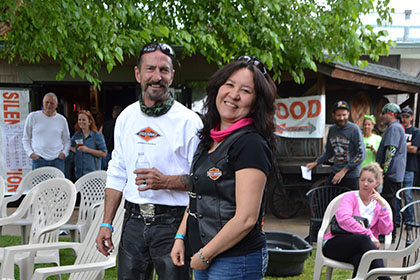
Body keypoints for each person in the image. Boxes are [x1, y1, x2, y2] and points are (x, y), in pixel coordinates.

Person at [95, 42, 203, 280]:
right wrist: (107, 223)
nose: (157, 76)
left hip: (174, 224)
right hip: (132, 221)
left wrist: (166, 181)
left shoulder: (189, 122)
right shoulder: (126, 118)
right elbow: (117, 172)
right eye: (150, 69)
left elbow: (202, 180)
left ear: (172, 76)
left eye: (164, 70)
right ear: (137, 73)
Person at [170, 56, 277, 279]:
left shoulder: (251, 144)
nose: (234, 95)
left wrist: (204, 255)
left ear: (256, 101)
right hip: (205, 253)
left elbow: (246, 218)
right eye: (229, 84)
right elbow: (195, 196)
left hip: (236, 259)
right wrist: (181, 237)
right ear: (217, 89)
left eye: (246, 90)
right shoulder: (208, 139)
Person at [322, 163, 393, 280]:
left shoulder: (378, 205)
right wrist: (369, 235)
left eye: (370, 181)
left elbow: (386, 230)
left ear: (377, 183)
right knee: (364, 239)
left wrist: (384, 206)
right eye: (362, 180)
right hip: (335, 245)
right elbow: (344, 219)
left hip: (361, 250)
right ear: (358, 180)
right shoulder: (350, 197)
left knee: (361, 259)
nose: (365, 184)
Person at [306, 101, 365, 190]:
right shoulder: (332, 130)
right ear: (333, 115)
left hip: (351, 176)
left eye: (344, 115)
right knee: (327, 198)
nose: (341, 118)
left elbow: (361, 155)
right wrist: (316, 162)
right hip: (336, 172)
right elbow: (329, 152)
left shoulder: (354, 129)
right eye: (338, 115)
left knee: (350, 202)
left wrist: (344, 170)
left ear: (348, 114)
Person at [376, 103, 406, 236]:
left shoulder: (393, 128)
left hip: (391, 173)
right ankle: (389, 231)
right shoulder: (396, 127)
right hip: (394, 173)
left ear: (391, 114)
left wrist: (383, 170)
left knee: (388, 203)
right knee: (390, 201)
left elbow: (391, 151)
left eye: (384, 113)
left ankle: (388, 232)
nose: (382, 116)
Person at [22, 92, 70, 173]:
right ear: (43, 103)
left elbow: (67, 140)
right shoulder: (33, 116)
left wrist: (64, 153)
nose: (49, 105)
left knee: (58, 184)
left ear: (56, 104)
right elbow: (26, 138)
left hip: (57, 160)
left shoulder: (62, 120)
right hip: (39, 159)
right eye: (46, 102)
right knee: (38, 184)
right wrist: (30, 153)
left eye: (52, 103)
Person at [396, 107, 420, 225]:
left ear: (411, 117)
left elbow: (414, 149)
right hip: (398, 166)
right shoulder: (398, 129)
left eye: (407, 116)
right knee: (397, 194)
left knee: (408, 195)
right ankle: (398, 219)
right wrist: (407, 145)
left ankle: (410, 220)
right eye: (403, 116)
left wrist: (401, 145)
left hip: (409, 167)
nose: (404, 119)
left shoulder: (415, 131)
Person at [70, 110, 107, 180]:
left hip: (93, 174)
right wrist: (76, 150)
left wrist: (87, 150)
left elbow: (104, 153)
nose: (81, 122)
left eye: (84, 120)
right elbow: (69, 145)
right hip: (79, 173)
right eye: (79, 119)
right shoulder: (77, 135)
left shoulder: (97, 136)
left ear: (89, 122)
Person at [100, 105, 122, 170]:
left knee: (105, 172)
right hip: (117, 152)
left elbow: (99, 134)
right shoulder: (121, 125)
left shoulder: (105, 124)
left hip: (106, 151)